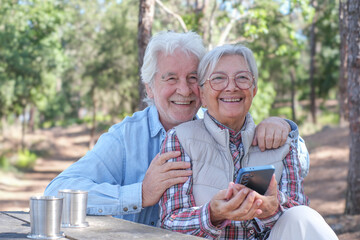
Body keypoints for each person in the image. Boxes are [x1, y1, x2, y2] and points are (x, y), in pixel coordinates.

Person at [44, 31, 304, 227]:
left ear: (202, 87)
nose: (184, 89)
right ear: (149, 87)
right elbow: (56, 192)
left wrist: (285, 128)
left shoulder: (219, 123)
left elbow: (294, 161)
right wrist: (140, 193)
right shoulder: (127, 137)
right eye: (170, 78)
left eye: (192, 78)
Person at [159, 44, 338, 239]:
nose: (231, 86)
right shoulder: (180, 139)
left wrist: (272, 207)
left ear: (254, 90)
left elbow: (299, 218)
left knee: (302, 215)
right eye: (218, 78)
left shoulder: (281, 142)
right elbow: (170, 221)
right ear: (202, 94)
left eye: (242, 78)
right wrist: (212, 214)